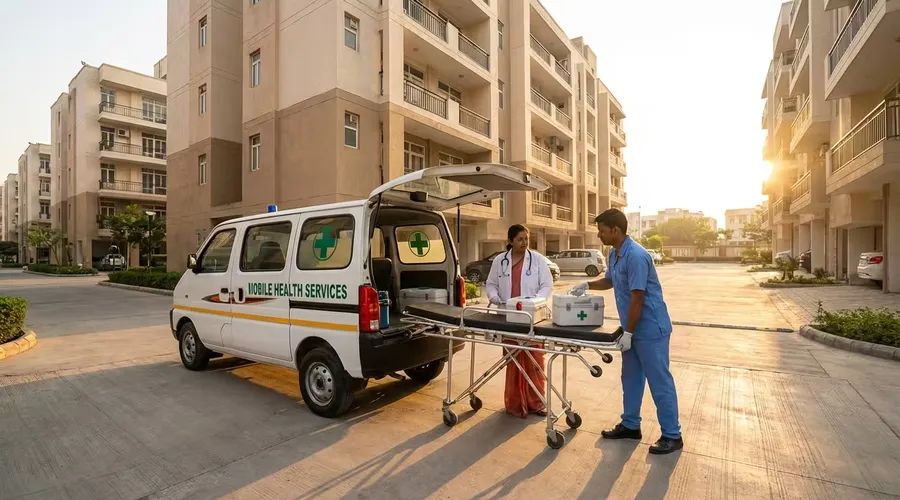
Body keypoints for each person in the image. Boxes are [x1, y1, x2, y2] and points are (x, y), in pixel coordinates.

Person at [570, 209, 683, 454]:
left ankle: (672, 435)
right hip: (631, 328)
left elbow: (638, 298)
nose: (599, 234)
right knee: (630, 377)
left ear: (616, 230)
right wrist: (587, 284)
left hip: (651, 328)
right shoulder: (614, 254)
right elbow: (609, 281)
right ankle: (631, 425)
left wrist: (629, 333)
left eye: (601, 230)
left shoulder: (636, 256)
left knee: (659, 381)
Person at [485, 224, 554, 418]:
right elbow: (490, 283)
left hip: (531, 317)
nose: (525, 243)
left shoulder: (538, 260)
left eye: (526, 239)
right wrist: (494, 297)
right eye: (520, 239)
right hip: (508, 317)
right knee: (513, 360)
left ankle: (537, 403)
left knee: (534, 361)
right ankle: (515, 402)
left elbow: (546, 285)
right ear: (510, 241)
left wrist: (535, 302)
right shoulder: (500, 261)